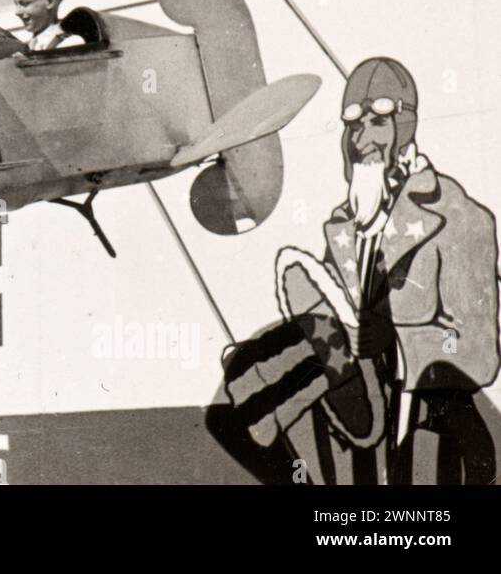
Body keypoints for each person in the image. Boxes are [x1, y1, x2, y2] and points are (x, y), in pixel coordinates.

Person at [208, 57, 501, 483]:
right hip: (357, 422)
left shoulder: (459, 217)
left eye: (376, 122)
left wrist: (394, 336)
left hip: (430, 429)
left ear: (405, 128)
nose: (360, 137)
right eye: (352, 125)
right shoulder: (345, 226)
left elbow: (476, 351)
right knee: (232, 405)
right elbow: (331, 319)